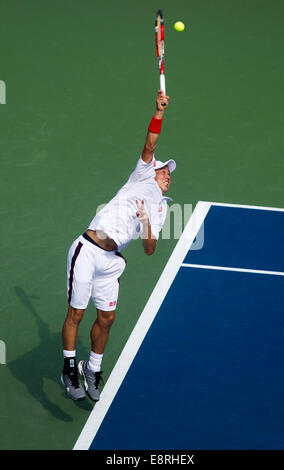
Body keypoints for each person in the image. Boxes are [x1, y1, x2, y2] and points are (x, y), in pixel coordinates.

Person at [61, 89, 176, 402]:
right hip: (88, 248)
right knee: (77, 313)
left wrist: (146, 221)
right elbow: (150, 143)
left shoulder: (162, 207)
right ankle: (69, 367)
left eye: (170, 174)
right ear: (153, 171)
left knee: (107, 318)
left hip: (112, 261)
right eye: (164, 170)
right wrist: (159, 112)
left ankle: (92, 368)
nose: (168, 175)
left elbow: (150, 249)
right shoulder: (141, 174)